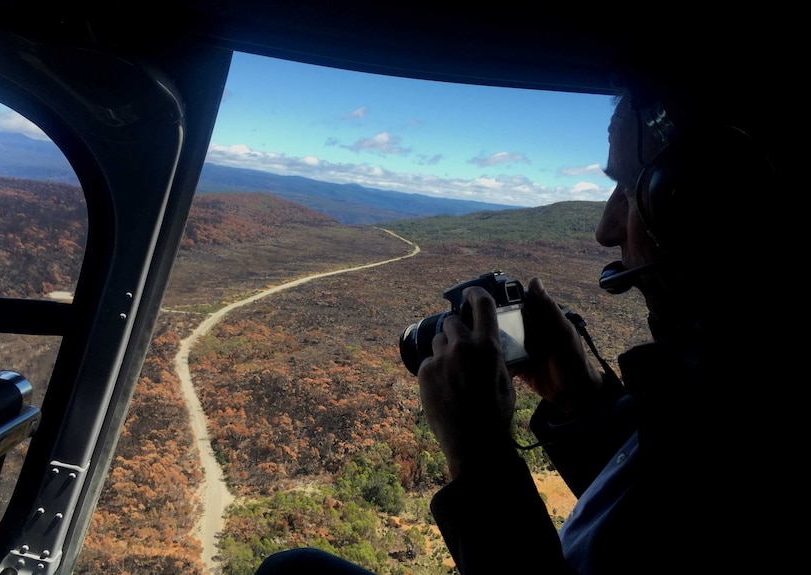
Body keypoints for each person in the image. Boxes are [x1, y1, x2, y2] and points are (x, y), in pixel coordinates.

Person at [256, 79, 789, 573]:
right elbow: (663, 511)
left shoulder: (746, 418)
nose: (606, 229)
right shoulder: (723, 380)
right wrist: (583, 402)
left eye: (629, 189)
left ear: (706, 203)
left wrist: (481, 456)